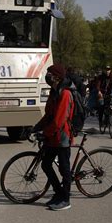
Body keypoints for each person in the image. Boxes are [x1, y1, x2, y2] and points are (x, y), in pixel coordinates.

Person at [32, 64, 74, 211]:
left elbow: (58, 120)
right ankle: (58, 193)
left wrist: (45, 133)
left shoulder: (65, 94)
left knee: (64, 169)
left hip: (62, 137)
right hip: (52, 136)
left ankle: (66, 199)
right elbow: (49, 116)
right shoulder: (54, 91)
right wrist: (36, 128)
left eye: (49, 74)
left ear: (57, 77)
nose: (47, 76)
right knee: (46, 164)